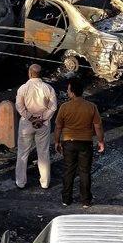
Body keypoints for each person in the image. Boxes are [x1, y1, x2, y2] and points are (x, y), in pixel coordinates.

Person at [53, 79, 103, 208]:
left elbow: (58, 127)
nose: (67, 92)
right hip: (86, 142)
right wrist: (101, 141)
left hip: (68, 142)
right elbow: (97, 126)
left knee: (69, 170)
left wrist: (57, 141)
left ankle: (66, 199)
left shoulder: (64, 107)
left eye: (69, 90)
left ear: (73, 93)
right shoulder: (91, 106)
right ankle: (86, 201)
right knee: (84, 172)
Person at [15, 64, 56, 189]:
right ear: (40, 74)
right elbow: (53, 107)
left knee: (22, 153)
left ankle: (20, 182)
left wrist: (31, 118)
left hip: (26, 124)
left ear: (29, 73)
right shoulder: (48, 88)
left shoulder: (23, 88)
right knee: (43, 153)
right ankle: (45, 183)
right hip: (43, 124)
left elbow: (19, 106)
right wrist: (42, 118)